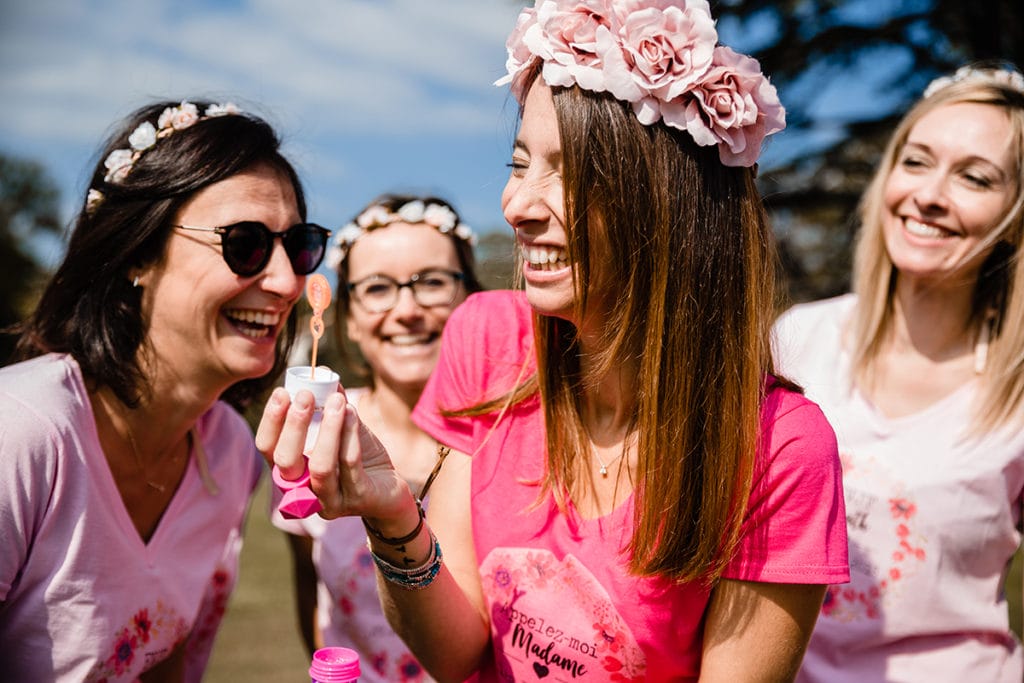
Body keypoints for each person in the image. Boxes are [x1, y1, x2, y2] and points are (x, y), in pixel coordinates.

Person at [258, 2, 849, 680]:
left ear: (669, 200)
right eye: (519, 163)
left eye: (567, 173)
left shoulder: (779, 447)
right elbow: (456, 653)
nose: (517, 205)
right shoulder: (487, 340)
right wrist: (393, 514)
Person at [0, 99, 329, 680]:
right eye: (245, 243)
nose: (285, 282)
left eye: (299, 245)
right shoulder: (19, 433)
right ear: (137, 254)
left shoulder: (228, 451)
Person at [772, 63, 1024, 682]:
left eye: (974, 177)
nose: (930, 195)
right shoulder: (796, 338)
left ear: (1015, 215)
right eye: (916, 161)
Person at [273, 193, 482, 681]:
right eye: (378, 288)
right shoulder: (310, 438)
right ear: (346, 316)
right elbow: (310, 589)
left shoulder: (514, 439)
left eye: (431, 282)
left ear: (470, 298)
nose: (406, 309)